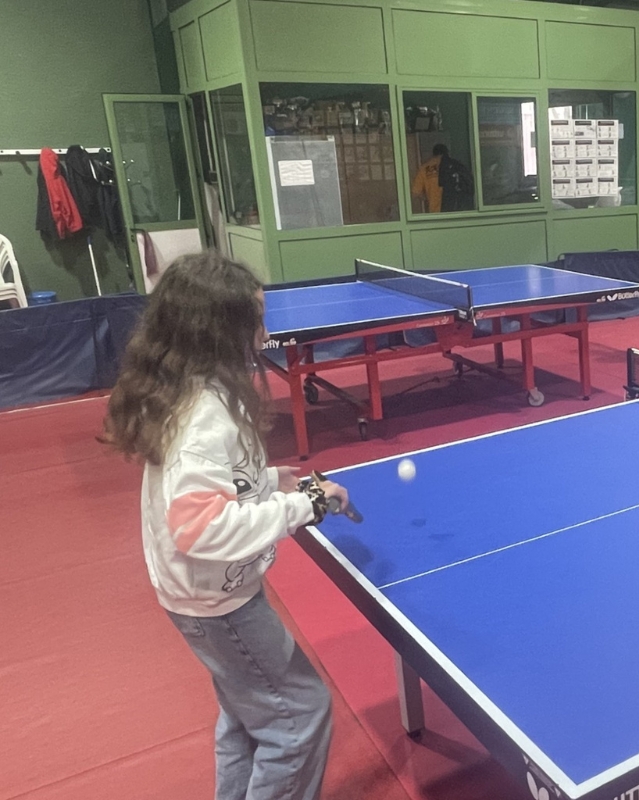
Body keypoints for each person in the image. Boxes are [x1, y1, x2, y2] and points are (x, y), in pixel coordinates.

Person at [102, 252, 350, 800]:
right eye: (254, 320)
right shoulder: (203, 418)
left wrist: (271, 481)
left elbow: (210, 485)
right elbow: (201, 529)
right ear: (217, 331)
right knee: (299, 717)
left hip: (203, 596)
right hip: (221, 608)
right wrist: (304, 504)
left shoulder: (191, 387)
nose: (265, 331)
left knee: (246, 717)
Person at [411, 143, 473, 213]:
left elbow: (416, 192)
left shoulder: (424, 168)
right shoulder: (455, 166)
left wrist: (428, 198)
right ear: (446, 153)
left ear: (433, 154)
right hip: (454, 209)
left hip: (435, 211)